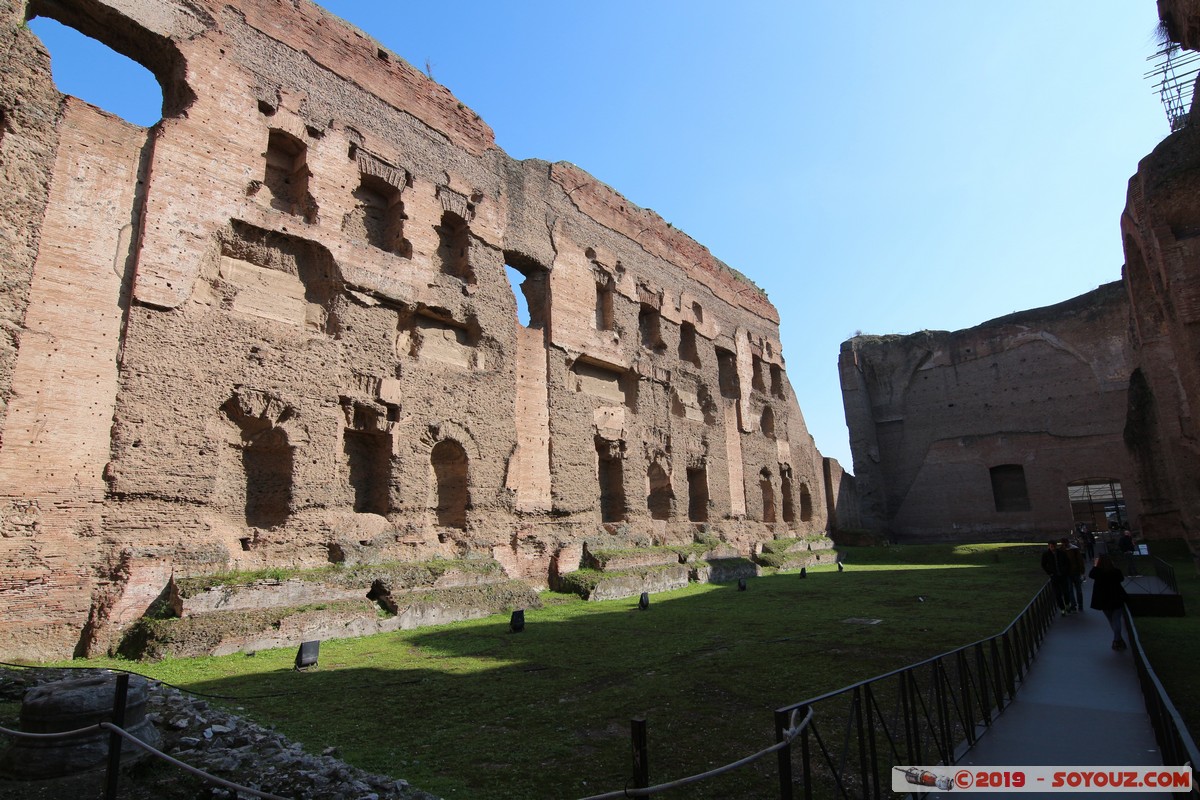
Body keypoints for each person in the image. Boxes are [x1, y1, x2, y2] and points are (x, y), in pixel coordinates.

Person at [1089, 554, 1128, 650]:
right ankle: (1117, 640)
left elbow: (1091, 575)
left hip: (1104, 599)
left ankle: (1117, 640)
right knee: (1116, 620)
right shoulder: (1115, 571)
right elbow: (1121, 579)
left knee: (1111, 620)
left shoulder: (1097, 572)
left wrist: (1095, 566)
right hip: (1116, 597)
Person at [1041, 540, 1072, 614]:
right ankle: (1062, 608)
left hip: (1063, 575)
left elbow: (1067, 563)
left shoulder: (1062, 553)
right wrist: (1050, 573)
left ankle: (1067, 604)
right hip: (1054, 576)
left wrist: (1065, 571)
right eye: (1051, 546)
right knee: (1058, 593)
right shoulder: (1046, 554)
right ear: (1049, 546)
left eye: (1054, 546)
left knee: (1066, 592)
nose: (1053, 548)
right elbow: (1043, 564)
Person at [1060, 537, 1085, 612]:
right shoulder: (1061, 550)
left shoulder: (1074, 549)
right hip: (1067, 573)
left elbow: (1080, 560)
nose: (1064, 545)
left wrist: (1082, 571)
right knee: (1070, 590)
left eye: (1065, 543)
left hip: (1075, 572)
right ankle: (1073, 605)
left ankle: (1080, 604)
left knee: (1078, 590)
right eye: (1063, 543)